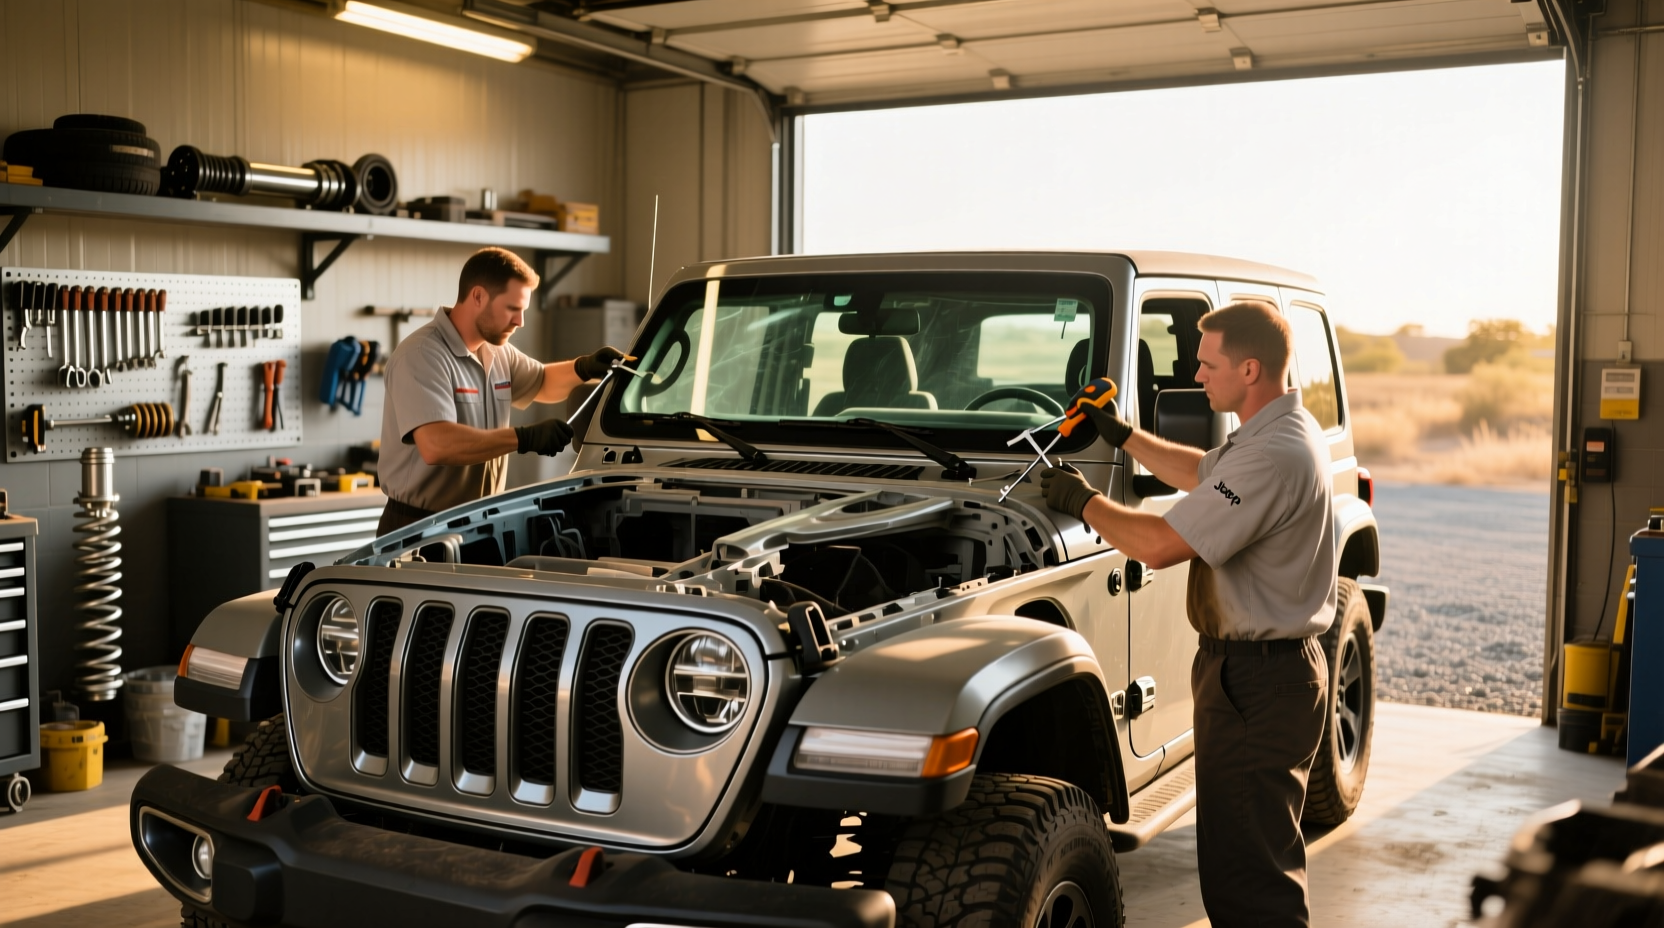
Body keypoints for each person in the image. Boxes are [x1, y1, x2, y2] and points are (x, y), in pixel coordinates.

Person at [1040, 301, 1336, 928]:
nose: (1196, 376)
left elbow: (1159, 545)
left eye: (1207, 364)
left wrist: (1082, 501)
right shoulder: (1274, 430)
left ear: (1249, 369)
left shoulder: (1271, 454)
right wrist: (1122, 434)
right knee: (1243, 865)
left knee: (1251, 882)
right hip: (1259, 675)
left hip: (1259, 681)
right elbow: (1201, 473)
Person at [377, 246, 628, 536]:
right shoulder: (422, 354)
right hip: (419, 527)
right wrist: (523, 438)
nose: (520, 321)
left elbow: (542, 382)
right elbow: (437, 444)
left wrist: (584, 367)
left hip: (479, 522)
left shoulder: (497, 352)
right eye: (512, 308)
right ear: (478, 296)